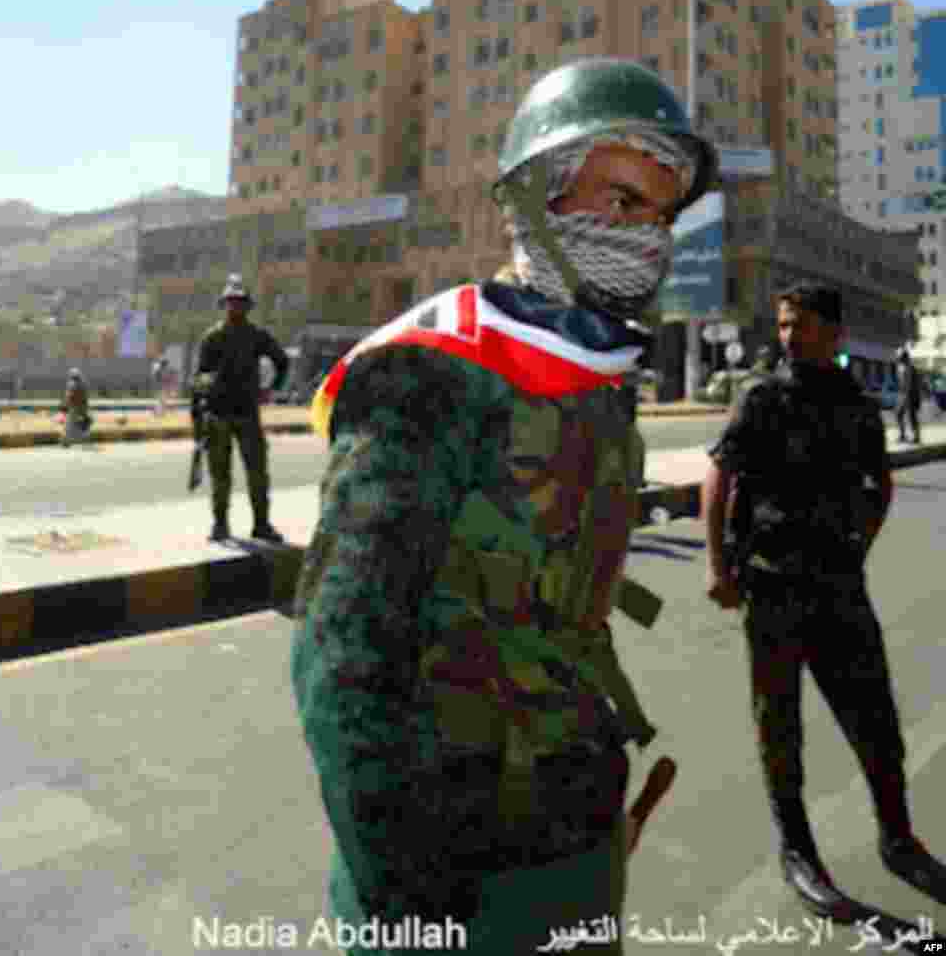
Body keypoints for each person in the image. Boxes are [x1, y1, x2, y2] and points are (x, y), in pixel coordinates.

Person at [291, 59, 716, 954]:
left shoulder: (596, 382)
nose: (651, 238)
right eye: (623, 200)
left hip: (567, 849)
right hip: (446, 877)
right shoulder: (436, 372)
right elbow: (340, 662)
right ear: (536, 200)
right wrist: (405, 899)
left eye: (666, 214)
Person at [702, 283, 946, 918]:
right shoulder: (761, 397)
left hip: (839, 589)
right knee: (779, 728)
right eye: (784, 324)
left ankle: (898, 838)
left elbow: (880, 485)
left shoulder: (857, 405)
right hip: (771, 585)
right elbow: (718, 475)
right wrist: (718, 569)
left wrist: (855, 548)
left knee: (875, 721)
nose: (790, 336)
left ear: (834, 332)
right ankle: (798, 852)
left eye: (803, 325)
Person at [191, 274, 289, 543]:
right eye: (230, 302)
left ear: (247, 306)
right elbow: (198, 378)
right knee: (220, 476)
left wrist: (272, 389)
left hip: (247, 413)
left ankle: (261, 524)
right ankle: (220, 524)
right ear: (224, 305)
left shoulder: (257, 336)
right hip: (218, 415)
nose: (234, 307)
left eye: (239, 302)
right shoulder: (211, 338)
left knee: (257, 473)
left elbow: (282, 361)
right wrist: (197, 416)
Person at [894, 347, 922, 445]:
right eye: (898, 356)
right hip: (902, 395)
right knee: (898, 414)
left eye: (900, 356)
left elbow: (912, 384)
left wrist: (913, 397)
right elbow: (900, 383)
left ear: (904, 357)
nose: (898, 358)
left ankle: (917, 437)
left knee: (911, 416)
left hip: (911, 395)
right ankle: (903, 435)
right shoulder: (899, 367)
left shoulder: (910, 368)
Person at [59, 368, 92, 446]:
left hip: (74, 407)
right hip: (82, 407)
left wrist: (64, 404)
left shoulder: (72, 384)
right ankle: (83, 437)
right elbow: (85, 397)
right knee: (83, 423)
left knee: (69, 424)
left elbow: (69, 396)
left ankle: (66, 440)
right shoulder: (83, 384)